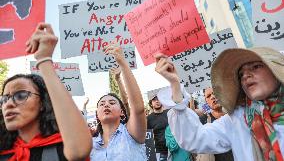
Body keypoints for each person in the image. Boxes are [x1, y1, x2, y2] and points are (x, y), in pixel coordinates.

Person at [154, 47, 284, 161]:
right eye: (241, 74)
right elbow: (195, 139)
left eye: (256, 67)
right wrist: (175, 85)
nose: (245, 76)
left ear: (275, 69)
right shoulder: (237, 120)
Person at [0, 23, 92, 160]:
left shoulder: (62, 149)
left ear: (43, 102)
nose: (8, 104)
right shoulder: (4, 152)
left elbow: (79, 151)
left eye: (20, 95)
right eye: (4, 99)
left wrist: (44, 59)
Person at [90, 43, 147, 161]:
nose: (106, 104)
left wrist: (122, 62)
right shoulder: (89, 145)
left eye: (112, 102)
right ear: (97, 115)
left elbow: (138, 109)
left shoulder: (131, 134)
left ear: (122, 112)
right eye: (102, 104)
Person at [147, 95, 168, 161]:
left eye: (158, 99)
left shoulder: (169, 113)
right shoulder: (148, 119)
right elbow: (148, 138)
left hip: (174, 149)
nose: (157, 101)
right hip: (161, 153)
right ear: (151, 103)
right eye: (154, 100)